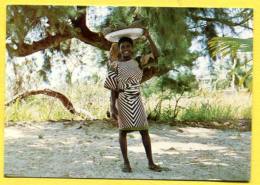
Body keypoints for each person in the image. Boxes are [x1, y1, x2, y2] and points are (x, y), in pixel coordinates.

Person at [105, 29, 162, 173]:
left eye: (128, 46)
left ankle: (151, 162)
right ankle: (126, 163)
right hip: (122, 100)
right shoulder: (115, 65)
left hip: (136, 99)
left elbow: (156, 55)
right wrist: (112, 106)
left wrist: (149, 37)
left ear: (132, 48)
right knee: (123, 132)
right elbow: (113, 88)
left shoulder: (138, 61)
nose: (125, 49)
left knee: (144, 131)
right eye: (122, 47)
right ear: (119, 49)